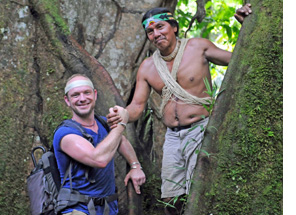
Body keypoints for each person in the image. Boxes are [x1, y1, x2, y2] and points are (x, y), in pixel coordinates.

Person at [107, 4, 252, 215]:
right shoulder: (148, 66)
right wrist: (124, 114)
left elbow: (237, 60)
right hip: (172, 138)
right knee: (170, 198)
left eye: (160, 27)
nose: (156, 34)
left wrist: (245, 28)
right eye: (150, 31)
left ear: (173, 27)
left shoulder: (198, 47)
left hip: (201, 129)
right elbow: (137, 106)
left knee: (199, 190)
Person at [53, 74, 146, 215]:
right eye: (76, 95)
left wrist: (135, 166)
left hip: (108, 208)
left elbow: (122, 141)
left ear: (95, 95)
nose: (82, 99)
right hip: (77, 210)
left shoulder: (103, 123)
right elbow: (98, 159)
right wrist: (121, 123)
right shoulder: (65, 133)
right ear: (67, 100)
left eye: (87, 93)